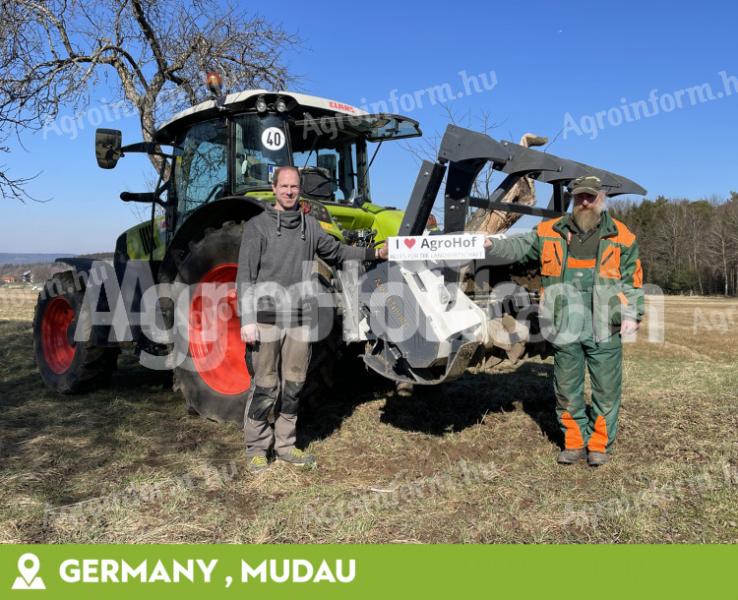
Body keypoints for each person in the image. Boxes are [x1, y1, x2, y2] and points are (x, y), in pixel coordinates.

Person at [484, 176, 644, 466]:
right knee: (566, 388)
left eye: (590, 197)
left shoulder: (622, 236)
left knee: (606, 390)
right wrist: (490, 244)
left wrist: (633, 313)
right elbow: (518, 247)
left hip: (605, 324)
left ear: (601, 198)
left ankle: (599, 445)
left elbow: (632, 278)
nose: (584, 202)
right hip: (564, 323)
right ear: (572, 197)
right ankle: (573, 442)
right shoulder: (549, 231)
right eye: (579, 196)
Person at [237, 165, 388, 473]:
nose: (289, 191)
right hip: (266, 318)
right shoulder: (258, 226)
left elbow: (338, 253)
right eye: (284, 186)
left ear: (299, 189)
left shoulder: (310, 227)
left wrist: (375, 254)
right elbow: (245, 277)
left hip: (299, 319)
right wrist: (247, 319)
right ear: (274, 188)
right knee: (265, 384)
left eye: (294, 187)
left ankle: (286, 445)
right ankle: (256, 446)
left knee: (294, 383)